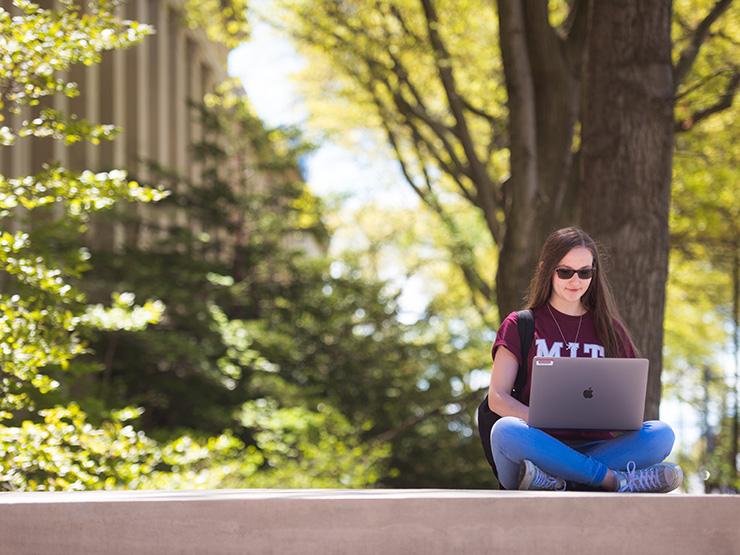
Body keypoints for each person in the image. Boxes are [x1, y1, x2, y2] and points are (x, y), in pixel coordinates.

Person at [487, 226, 683, 492]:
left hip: (597, 447)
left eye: (585, 272)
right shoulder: (520, 324)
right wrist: (542, 419)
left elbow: (628, 402)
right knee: (505, 431)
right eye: (565, 271)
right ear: (547, 269)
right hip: (537, 446)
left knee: (661, 435)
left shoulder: (610, 329)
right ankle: (612, 480)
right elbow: (497, 397)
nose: (575, 280)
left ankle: (557, 481)